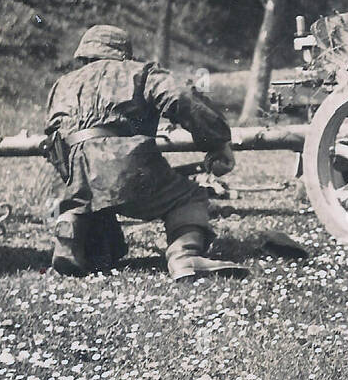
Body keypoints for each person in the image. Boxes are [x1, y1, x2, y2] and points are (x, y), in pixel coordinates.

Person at [45, 25, 246, 280]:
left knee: (91, 213)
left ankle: (71, 227)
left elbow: (52, 137)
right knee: (188, 196)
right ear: (123, 53)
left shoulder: (62, 84)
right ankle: (185, 256)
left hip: (76, 169)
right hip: (127, 160)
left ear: (84, 55)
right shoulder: (140, 72)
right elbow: (182, 97)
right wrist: (217, 141)